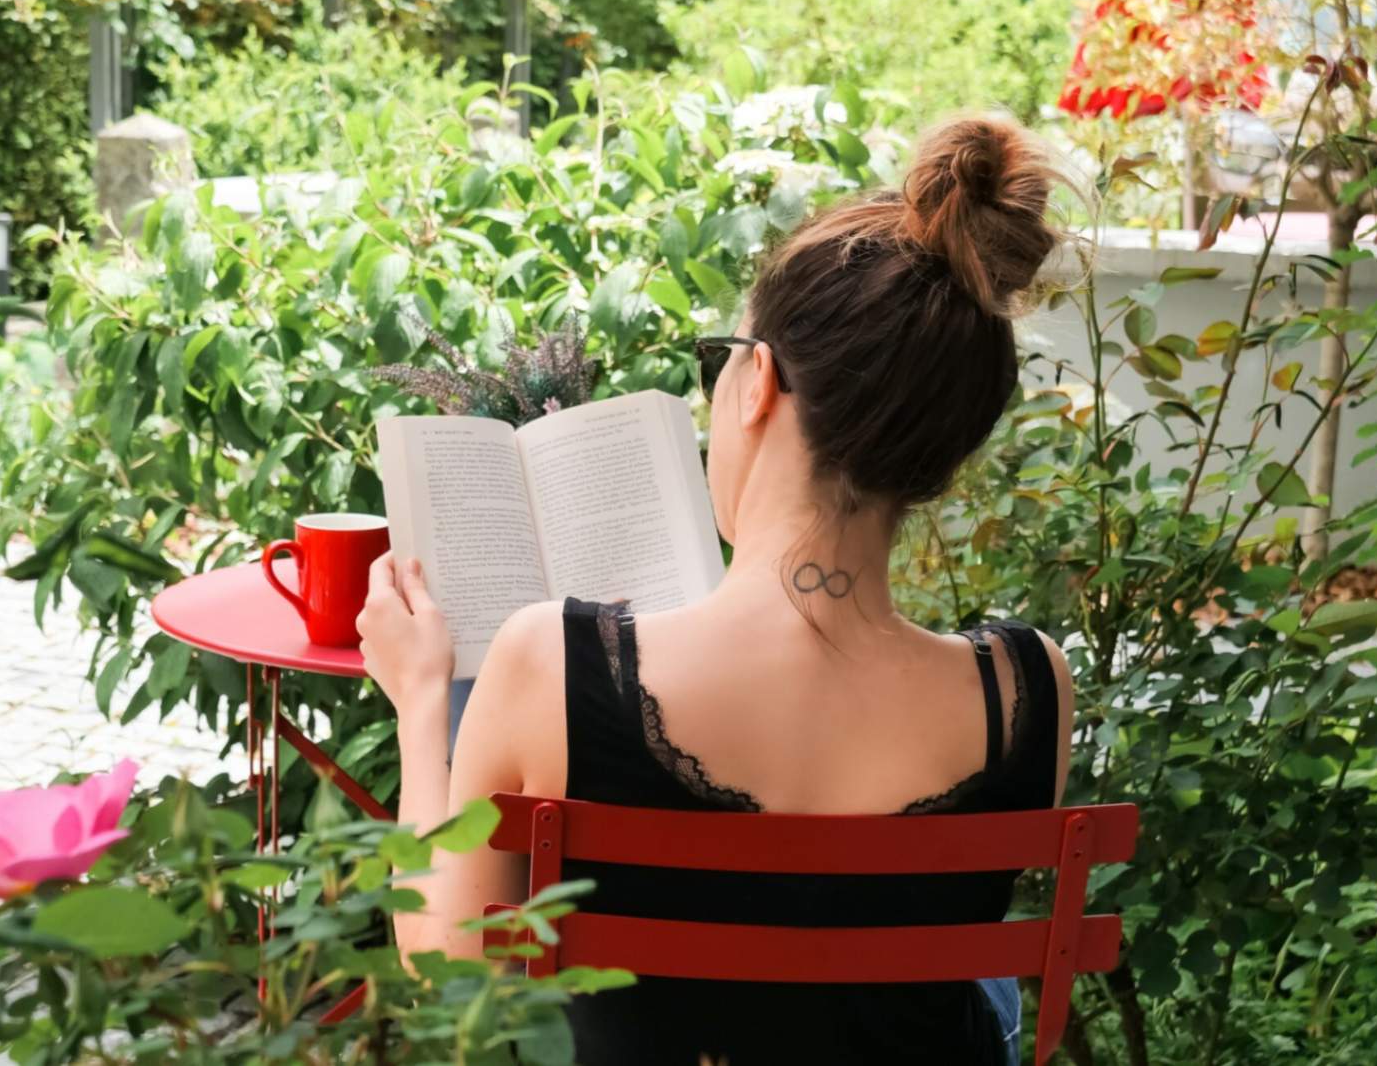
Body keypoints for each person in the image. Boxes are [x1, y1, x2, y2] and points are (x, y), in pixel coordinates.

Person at [355, 115, 1077, 1066]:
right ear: (942, 450)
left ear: (757, 385)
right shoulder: (1027, 689)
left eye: (718, 361)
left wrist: (419, 700)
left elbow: (448, 963)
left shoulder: (552, 662)